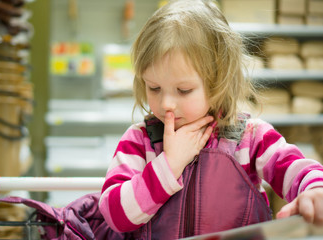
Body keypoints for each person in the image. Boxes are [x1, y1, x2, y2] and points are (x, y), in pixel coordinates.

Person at [98, 0, 323, 238]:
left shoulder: (251, 138)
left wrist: (315, 189)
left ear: (218, 82)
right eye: (154, 88)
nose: (166, 104)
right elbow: (114, 215)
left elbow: (295, 168)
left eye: (183, 90)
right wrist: (170, 164)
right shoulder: (139, 141)